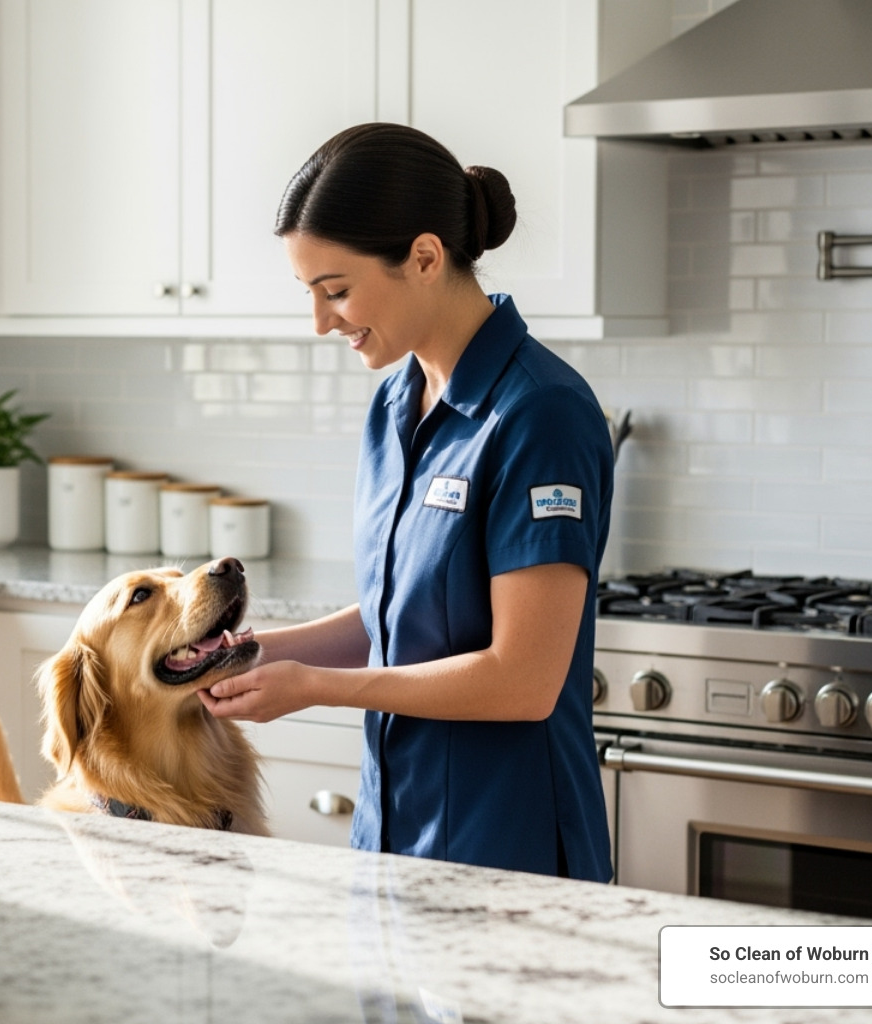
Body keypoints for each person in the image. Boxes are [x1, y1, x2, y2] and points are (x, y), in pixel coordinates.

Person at [198, 123, 614, 882]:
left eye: (337, 290)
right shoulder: (396, 401)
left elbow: (524, 679)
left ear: (424, 257)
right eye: (310, 294)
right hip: (392, 837)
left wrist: (314, 688)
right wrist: (241, 657)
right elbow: (400, 618)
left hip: (507, 856)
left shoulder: (539, 413)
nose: (322, 321)